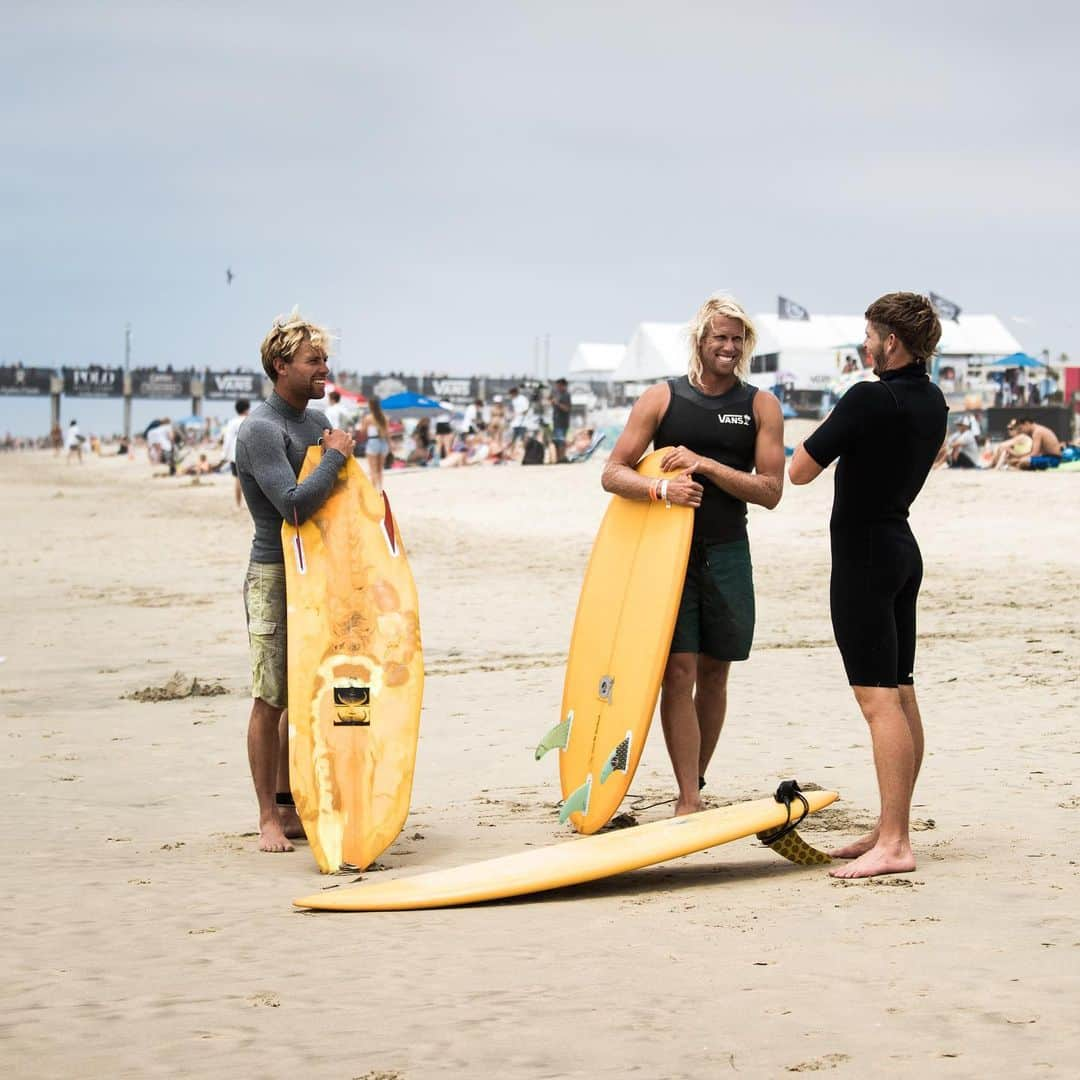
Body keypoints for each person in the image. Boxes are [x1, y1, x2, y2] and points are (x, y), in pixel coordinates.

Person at [601, 292, 785, 816]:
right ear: (700, 342)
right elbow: (613, 472)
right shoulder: (663, 398)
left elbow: (770, 490)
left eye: (736, 339)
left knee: (717, 670)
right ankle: (687, 798)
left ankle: (696, 780)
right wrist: (661, 491)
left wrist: (704, 465)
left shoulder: (759, 405)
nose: (728, 347)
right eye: (719, 338)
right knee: (678, 671)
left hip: (728, 551)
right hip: (667, 558)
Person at [789, 292, 947, 880]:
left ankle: (896, 843)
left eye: (870, 335)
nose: (864, 344)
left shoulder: (866, 397)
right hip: (902, 548)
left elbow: (800, 470)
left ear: (892, 343)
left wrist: (842, 423)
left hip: (862, 555)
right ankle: (889, 827)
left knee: (877, 700)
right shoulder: (934, 400)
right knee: (901, 692)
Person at [235, 308, 355, 853]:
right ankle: (266, 817)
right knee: (272, 696)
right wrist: (333, 457)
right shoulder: (262, 429)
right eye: (313, 360)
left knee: (312, 692)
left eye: (325, 358)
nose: (323, 368)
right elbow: (293, 506)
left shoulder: (313, 423)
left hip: (319, 574)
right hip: (275, 576)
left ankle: (290, 805)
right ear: (282, 365)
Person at [221, 398, 251, 508]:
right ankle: (251, 505)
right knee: (251, 481)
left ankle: (238, 504)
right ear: (247, 408)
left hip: (235, 455)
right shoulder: (251, 420)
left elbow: (227, 439)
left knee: (238, 480)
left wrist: (224, 455)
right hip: (249, 454)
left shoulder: (232, 422)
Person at [361, 396, 391, 491]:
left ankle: (374, 490)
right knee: (380, 469)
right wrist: (390, 446)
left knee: (373, 469)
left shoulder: (368, 418)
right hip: (383, 442)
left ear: (370, 406)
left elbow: (363, 432)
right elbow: (387, 433)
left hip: (373, 442)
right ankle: (380, 488)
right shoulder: (384, 417)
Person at [551, 378, 572, 462]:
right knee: (556, 441)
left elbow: (567, 408)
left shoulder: (566, 395)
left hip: (562, 422)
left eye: (559, 386)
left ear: (563, 386)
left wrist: (557, 404)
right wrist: (553, 404)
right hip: (556, 421)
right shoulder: (558, 395)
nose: (557, 387)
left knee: (561, 441)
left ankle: (561, 458)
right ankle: (558, 458)